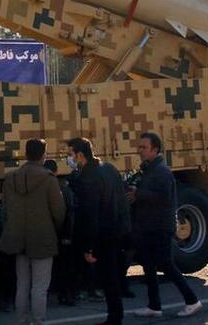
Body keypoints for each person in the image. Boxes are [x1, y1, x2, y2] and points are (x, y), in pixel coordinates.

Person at [128, 132, 202, 318]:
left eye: (144, 147)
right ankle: (154, 306)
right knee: (149, 266)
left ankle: (192, 301)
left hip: (160, 227)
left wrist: (139, 194)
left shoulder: (161, 171)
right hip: (148, 226)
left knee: (166, 265)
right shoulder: (149, 170)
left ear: (155, 149)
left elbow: (163, 197)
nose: (140, 151)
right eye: (140, 147)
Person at [0, 138, 66, 325]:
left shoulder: (11, 178)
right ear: (43, 154)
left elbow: (6, 208)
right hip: (43, 238)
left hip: (19, 238)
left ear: (26, 153)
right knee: (40, 286)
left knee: (22, 284)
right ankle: (38, 321)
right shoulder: (49, 179)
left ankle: (21, 320)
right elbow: (59, 212)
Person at [68, 137, 130, 325]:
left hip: (101, 235)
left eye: (71, 154)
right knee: (112, 277)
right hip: (115, 231)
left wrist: (89, 247)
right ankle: (115, 315)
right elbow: (121, 201)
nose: (70, 159)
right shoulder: (109, 169)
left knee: (107, 278)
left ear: (80, 155)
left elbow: (91, 214)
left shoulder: (88, 178)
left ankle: (114, 318)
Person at [45, 159, 80, 306]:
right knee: (65, 267)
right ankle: (66, 295)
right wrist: (67, 234)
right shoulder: (63, 188)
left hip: (49, 235)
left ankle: (51, 294)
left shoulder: (42, 188)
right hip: (61, 234)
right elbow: (70, 212)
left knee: (48, 268)